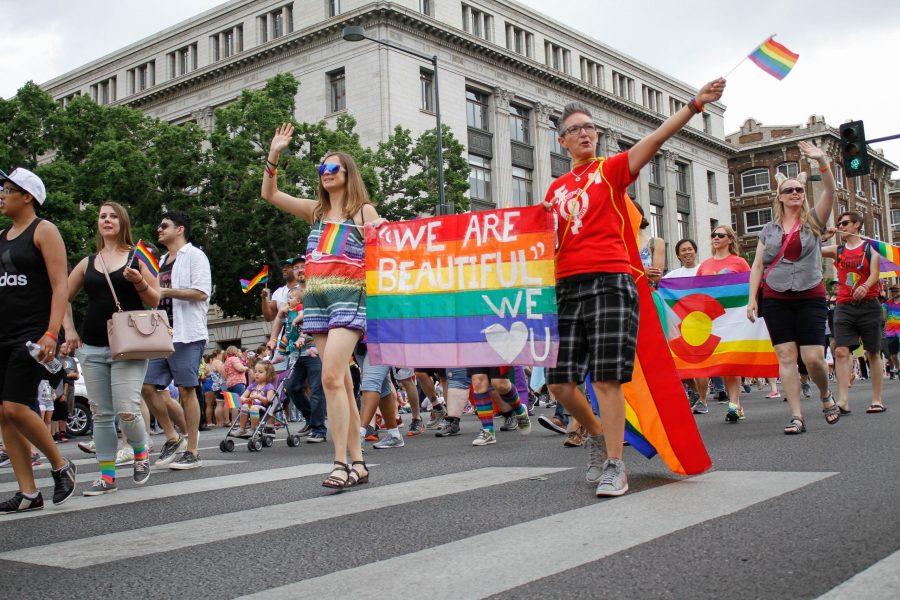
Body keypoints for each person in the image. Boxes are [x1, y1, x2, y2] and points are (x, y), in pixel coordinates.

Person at [542, 79, 725, 497]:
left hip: (611, 281)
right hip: (566, 286)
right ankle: (594, 433)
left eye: (591, 127)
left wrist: (695, 105)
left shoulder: (611, 170)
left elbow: (657, 138)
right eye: (576, 129)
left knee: (607, 379)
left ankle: (613, 464)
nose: (586, 133)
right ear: (562, 140)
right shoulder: (555, 190)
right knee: (559, 383)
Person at [262, 124, 384, 489]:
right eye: (322, 169)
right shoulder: (315, 212)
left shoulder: (363, 212)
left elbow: (389, 251)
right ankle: (358, 462)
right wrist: (274, 154)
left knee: (330, 377)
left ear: (348, 174)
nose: (327, 174)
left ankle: (340, 462)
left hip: (350, 300)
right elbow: (270, 194)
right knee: (342, 384)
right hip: (316, 302)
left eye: (334, 169)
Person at [63, 202, 160, 495]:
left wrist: (140, 281)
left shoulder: (137, 256)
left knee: (127, 409)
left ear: (123, 222)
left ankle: (141, 453)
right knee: (101, 415)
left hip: (129, 346)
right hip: (92, 346)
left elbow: (155, 300)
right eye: (103, 216)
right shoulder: (87, 261)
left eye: (113, 216)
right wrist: (68, 330)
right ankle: (107, 477)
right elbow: (62, 297)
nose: (107, 220)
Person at [747, 142, 838, 434]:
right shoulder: (768, 230)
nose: (795, 194)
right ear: (780, 197)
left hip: (810, 295)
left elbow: (831, 192)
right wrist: (752, 299)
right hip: (775, 298)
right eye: (789, 190)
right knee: (786, 356)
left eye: (798, 190)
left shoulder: (813, 222)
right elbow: (758, 266)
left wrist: (821, 161)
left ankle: (825, 394)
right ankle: (796, 415)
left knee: (812, 358)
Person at [0, 168, 77, 513]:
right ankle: (29, 492)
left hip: (32, 332)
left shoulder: (44, 231)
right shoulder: (3, 236)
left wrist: (52, 331)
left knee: (16, 406)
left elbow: (61, 285)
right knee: (4, 414)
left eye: (7, 189)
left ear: (27, 196)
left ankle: (62, 466)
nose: (2, 195)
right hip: (3, 331)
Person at [142, 211, 212, 470]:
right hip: (161, 333)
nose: (158, 229)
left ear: (180, 229)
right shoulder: (159, 261)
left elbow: (202, 292)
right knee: (147, 386)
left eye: (164, 225)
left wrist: (166, 291)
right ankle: (172, 437)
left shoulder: (195, 255)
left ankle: (193, 450)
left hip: (188, 333)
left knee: (186, 389)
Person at [822, 212, 885, 414]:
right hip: (844, 306)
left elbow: (875, 272)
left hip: (868, 304)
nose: (842, 226)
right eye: (839, 223)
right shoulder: (838, 250)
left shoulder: (870, 248)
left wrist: (865, 286)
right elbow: (812, 250)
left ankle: (876, 399)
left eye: (846, 223)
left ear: (857, 225)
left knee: (872, 351)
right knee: (841, 351)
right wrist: (824, 236)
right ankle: (842, 400)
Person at [696, 226, 750, 423]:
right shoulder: (705, 265)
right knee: (721, 362)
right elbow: (697, 292)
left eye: (720, 235)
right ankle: (737, 404)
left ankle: (733, 404)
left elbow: (750, 285)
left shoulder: (740, 262)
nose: (716, 238)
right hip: (713, 319)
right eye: (713, 235)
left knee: (731, 360)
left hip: (734, 317)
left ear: (730, 239)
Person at [662, 238, 707, 413]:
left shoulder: (705, 271)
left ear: (695, 251)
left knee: (702, 364)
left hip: (702, 324)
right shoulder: (672, 277)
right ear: (678, 255)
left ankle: (702, 400)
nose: (687, 252)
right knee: (680, 362)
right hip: (679, 326)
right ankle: (695, 392)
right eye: (683, 250)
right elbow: (659, 289)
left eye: (690, 249)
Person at [235, 361, 276, 437]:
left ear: (268, 374)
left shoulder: (269, 387)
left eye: (260, 372)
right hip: (251, 406)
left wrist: (258, 397)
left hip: (263, 409)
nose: (256, 374)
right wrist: (244, 399)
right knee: (244, 406)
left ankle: (253, 429)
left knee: (254, 407)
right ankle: (242, 429)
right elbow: (242, 396)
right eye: (255, 371)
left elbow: (269, 401)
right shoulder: (252, 386)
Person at [635, 204, 665, 286]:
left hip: (648, 295)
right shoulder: (620, 242)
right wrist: (643, 272)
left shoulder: (655, 242)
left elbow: (656, 278)